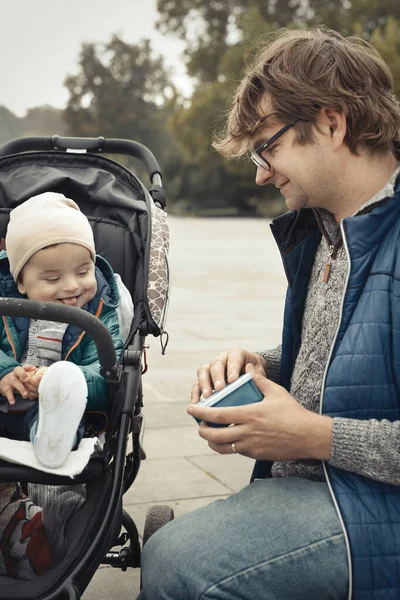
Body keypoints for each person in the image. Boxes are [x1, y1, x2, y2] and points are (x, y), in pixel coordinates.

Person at [138, 27, 400, 600]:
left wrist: (312, 436)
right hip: (326, 488)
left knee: (181, 567)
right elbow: (358, 356)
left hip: (371, 513)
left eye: (268, 147)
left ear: (332, 123)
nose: (260, 172)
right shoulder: (330, 230)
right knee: (169, 553)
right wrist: (264, 364)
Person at [0, 192, 123, 579]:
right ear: (20, 283)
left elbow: (108, 377)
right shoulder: (4, 305)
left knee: (67, 398)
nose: (72, 286)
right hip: (4, 405)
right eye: (52, 278)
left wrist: (61, 382)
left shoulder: (100, 312)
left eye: (84, 271)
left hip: (54, 411)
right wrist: (5, 371)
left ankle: (53, 434)